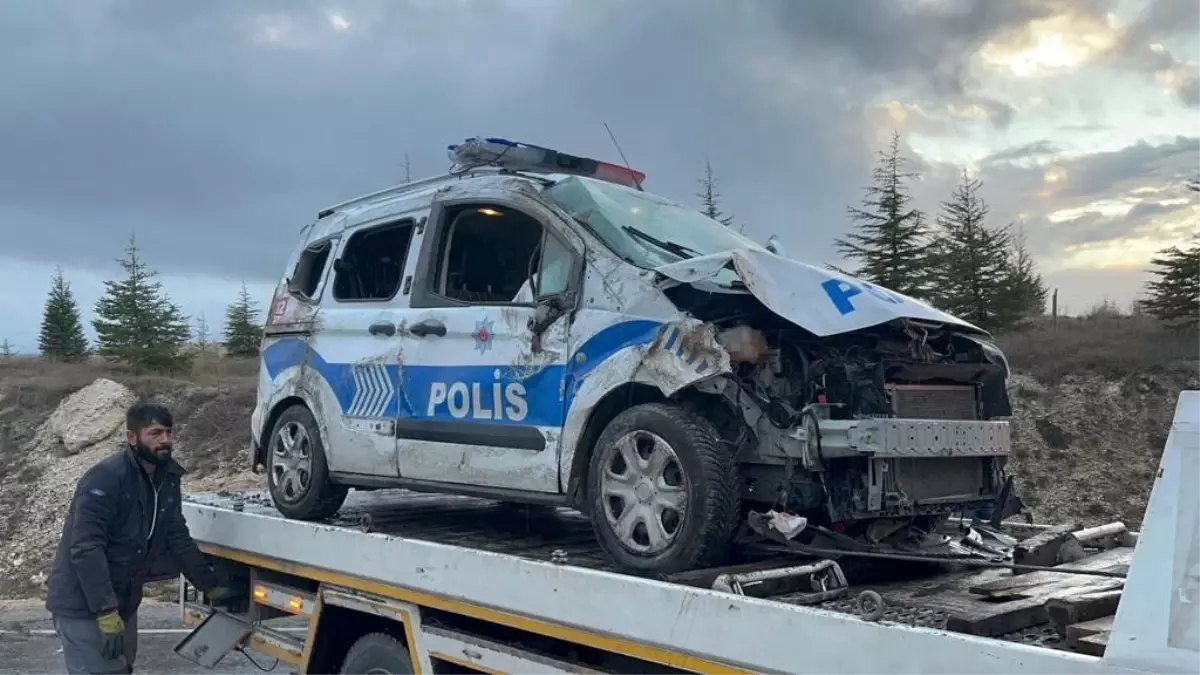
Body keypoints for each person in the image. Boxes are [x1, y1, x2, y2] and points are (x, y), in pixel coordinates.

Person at [46, 401, 235, 674]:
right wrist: (105, 611)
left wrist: (209, 585)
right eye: (155, 433)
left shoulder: (166, 477)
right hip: (83, 603)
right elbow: (86, 548)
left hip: (123, 600)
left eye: (168, 433)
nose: (165, 441)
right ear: (131, 438)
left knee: (122, 669)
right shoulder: (106, 478)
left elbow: (176, 536)